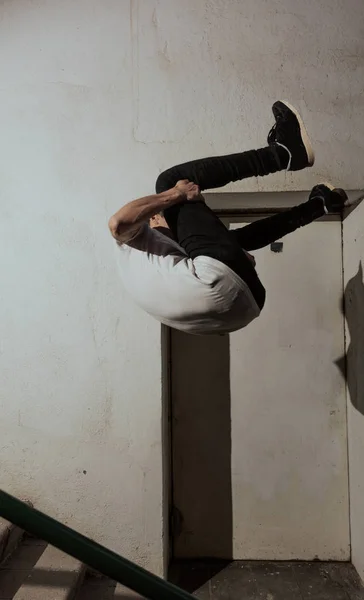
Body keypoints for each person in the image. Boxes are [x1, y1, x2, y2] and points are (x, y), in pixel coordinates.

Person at [108, 101, 347, 335]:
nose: (161, 217)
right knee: (169, 181)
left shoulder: (156, 267)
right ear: (148, 223)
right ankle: (285, 153)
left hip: (247, 305)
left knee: (236, 240)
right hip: (217, 283)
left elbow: (231, 253)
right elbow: (117, 224)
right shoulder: (131, 241)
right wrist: (176, 194)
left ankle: (320, 205)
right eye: (156, 217)